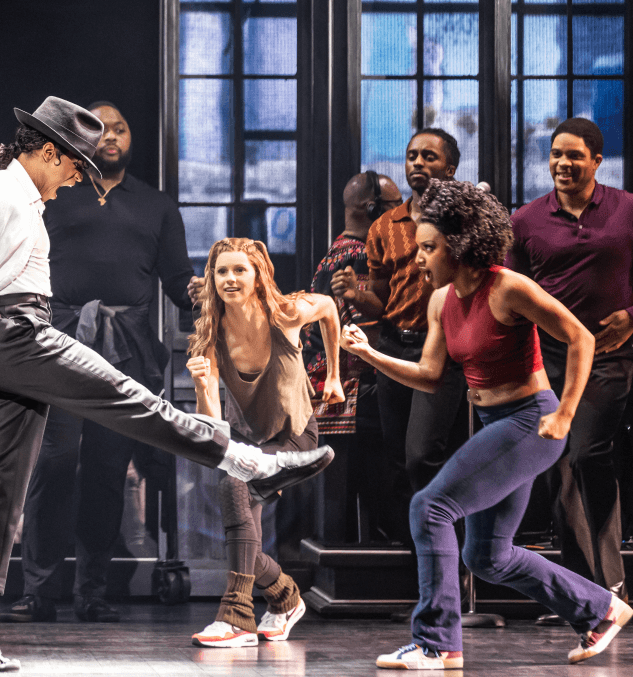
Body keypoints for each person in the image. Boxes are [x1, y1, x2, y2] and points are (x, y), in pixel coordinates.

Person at [0, 96, 334, 672]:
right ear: (48, 151)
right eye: (73, 164)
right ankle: (247, 461)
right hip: (19, 334)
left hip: (3, 337)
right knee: (128, 398)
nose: (75, 178)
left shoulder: (21, 199)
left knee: (6, 481)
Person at [341, 180, 632, 669]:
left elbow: (580, 337)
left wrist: (564, 414)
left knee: (429, 507)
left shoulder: (508, 287)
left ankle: (437, 643)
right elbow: (431, 377)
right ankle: (599, 609)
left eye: (430, 248)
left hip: (529, 422)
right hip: (495, 423)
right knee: (488, 556)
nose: (420, 259)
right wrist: (370, 355)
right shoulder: (441, 300)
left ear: (460, 246)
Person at [4, 100, 195, 625]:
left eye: (121, 126)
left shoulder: (157, 206)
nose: (110, 134)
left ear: (131, 138)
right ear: (81, 140)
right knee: (53, 464)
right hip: (57, 340)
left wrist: (210, 292)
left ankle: (92, 591)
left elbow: (178, 283)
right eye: (100, 128)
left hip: (126, 348)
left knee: (109, 471)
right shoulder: (55, 197)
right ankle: (38, 592)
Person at [506, 118, 633, 619]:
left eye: (574, 155)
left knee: (589, 451)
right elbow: (508, 292)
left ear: (596, 160)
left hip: (610, 353)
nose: (563, 164)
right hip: (547, 357)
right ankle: (579, 594)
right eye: (555, 155)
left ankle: (611, 585)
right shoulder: (525, 221)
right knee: (558, 463)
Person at [185, 239, 343, 647]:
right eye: (222, 271)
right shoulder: (210, 331)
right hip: (245, 441)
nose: (230, 279)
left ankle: (237, 618)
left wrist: (334, 376)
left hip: (293, 436)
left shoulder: (286, 313)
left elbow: (327, 307)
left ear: (258, 275)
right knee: (244, 540)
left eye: (240, 270)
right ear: (211, 278)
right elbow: (216, 427)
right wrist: (204, 387)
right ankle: (286, 598)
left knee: (233, 485)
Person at [334, 130, 470, 525]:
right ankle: (410, 547)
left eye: (429, 157)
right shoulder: (384, 227)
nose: (418, 164)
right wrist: (356, 295)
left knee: (425, 453)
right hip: (396, 344)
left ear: (450, 168)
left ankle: (445, 537)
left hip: (444, 349)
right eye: (412, 156)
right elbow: (381, 298)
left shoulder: (462, 221)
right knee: (395, 454)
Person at [305, 171, 405, 542]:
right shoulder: (361, 256)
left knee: (344, 494)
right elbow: (364, 326)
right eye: (395, 206)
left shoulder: (339, 249)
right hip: (353, 388)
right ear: (373, 208)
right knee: (365, 493)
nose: (402, 214)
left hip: (334, 387)